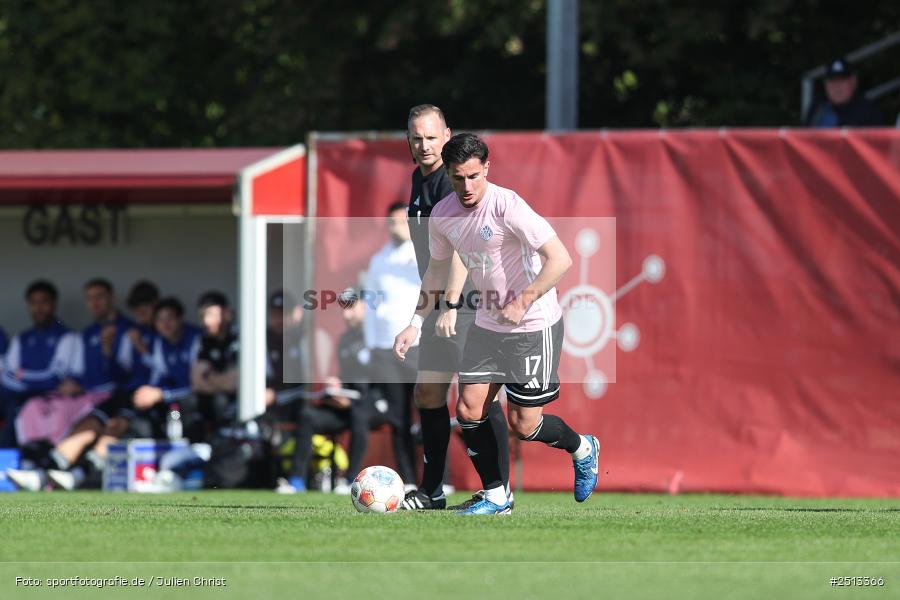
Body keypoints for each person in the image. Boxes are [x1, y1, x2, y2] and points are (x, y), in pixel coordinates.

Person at [393, 133, 600, 514]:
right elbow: (437, 273)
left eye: (474, 176)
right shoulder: (444, 214)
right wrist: (414, 322)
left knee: (524, 424)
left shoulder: (509, 206)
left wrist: (523, 301)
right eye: (458, 178)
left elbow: (560, 258)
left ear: (487, 168)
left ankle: (583, 447)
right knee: (469, 410)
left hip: (533, 324)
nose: (467, 187)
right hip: (488, 325)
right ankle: (496, 496)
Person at [400, 104, 511, 511]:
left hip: (468, 305)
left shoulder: (451, 185)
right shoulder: (419, 179)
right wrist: (418, 318)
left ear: (446, 136)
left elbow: (463, 252)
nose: (423, 144)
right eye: (416, 137)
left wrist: (448, 305)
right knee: (428, 394)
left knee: (477, 402)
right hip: (439, 304)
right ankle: (432, 491)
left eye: (431, 137)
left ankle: (499, 492)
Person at [6, 279, 138, 490]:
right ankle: (58, 473)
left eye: (100, 297)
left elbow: (128, 374)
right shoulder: (86, 333)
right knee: (59, 416)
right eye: (90, 298)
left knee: (100, 427)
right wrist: (75, 384)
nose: (95, 303)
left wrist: (107, 352)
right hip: (91, 398)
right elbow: (79, 374)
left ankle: (49, 473)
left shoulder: (128, 330)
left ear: (111, 298)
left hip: (120, 398)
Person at [280, 288, 376, 494]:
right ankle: (297, 480)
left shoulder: (377, 337)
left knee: (359, 413)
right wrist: (336, 385)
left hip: (373, 405)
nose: (345, 314)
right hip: (345, 405)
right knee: (308, 416)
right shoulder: (345, 340)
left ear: (364, 306)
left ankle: (351, 479)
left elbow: (384, 380)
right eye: (343, 309)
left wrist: (352, 400)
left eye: (350, 308)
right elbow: (345, 376)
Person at [363, 201, 422, 488]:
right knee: (398, 419)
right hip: (386, 349)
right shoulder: (379, 260)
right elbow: (371, 305)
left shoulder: (421, 256)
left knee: (428, 413)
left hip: (418, 346)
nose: (396, 227)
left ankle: (440, 479)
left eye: (402, 221)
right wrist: (371, 344)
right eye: (393, 222)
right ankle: (409, 480)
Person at [1, 281, 76, 448]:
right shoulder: (22, 337)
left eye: (44, 302)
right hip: (17, 395)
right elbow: (6, 376)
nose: (39, 308)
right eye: (34, 303)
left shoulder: (66, 336)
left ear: (53, 303)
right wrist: (25, 382)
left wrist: (22, 377)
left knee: (20, 406)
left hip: (50, 397)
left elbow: (55, 378)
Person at [189, 291, 238, 440]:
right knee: (186, 405)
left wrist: (209, 377)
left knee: (221, 402)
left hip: (235, 402)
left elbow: (235, 382)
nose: (205, 321)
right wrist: (221, 380)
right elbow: (196, 382)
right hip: (207, 400)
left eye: (210, 315)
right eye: (202, 316)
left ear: (227, 313)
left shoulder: (240, 337)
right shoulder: (202, 341)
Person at [806, 58, 883, 128]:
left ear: (853, 82)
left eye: (842, 81)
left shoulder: (868, 111)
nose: (837, 87)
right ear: (825, 84)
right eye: (832, 82)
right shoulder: (818, 107)